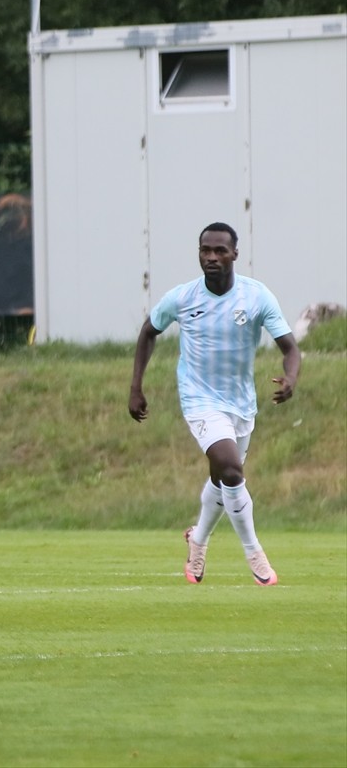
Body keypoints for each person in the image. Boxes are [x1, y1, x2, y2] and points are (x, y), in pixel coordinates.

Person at [129, 222, 300, 586]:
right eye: (205, 250)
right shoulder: (182, 297)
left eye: (220, 251)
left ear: (235, 254)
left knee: (221, 478)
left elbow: (290, 348)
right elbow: (148, 332)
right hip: (199, 399)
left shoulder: (256, 297)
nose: (211, 257)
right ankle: (255, 554)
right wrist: (136, 387)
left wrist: (291, 378)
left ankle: (198, 539)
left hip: (241, 404)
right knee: (232, 470)